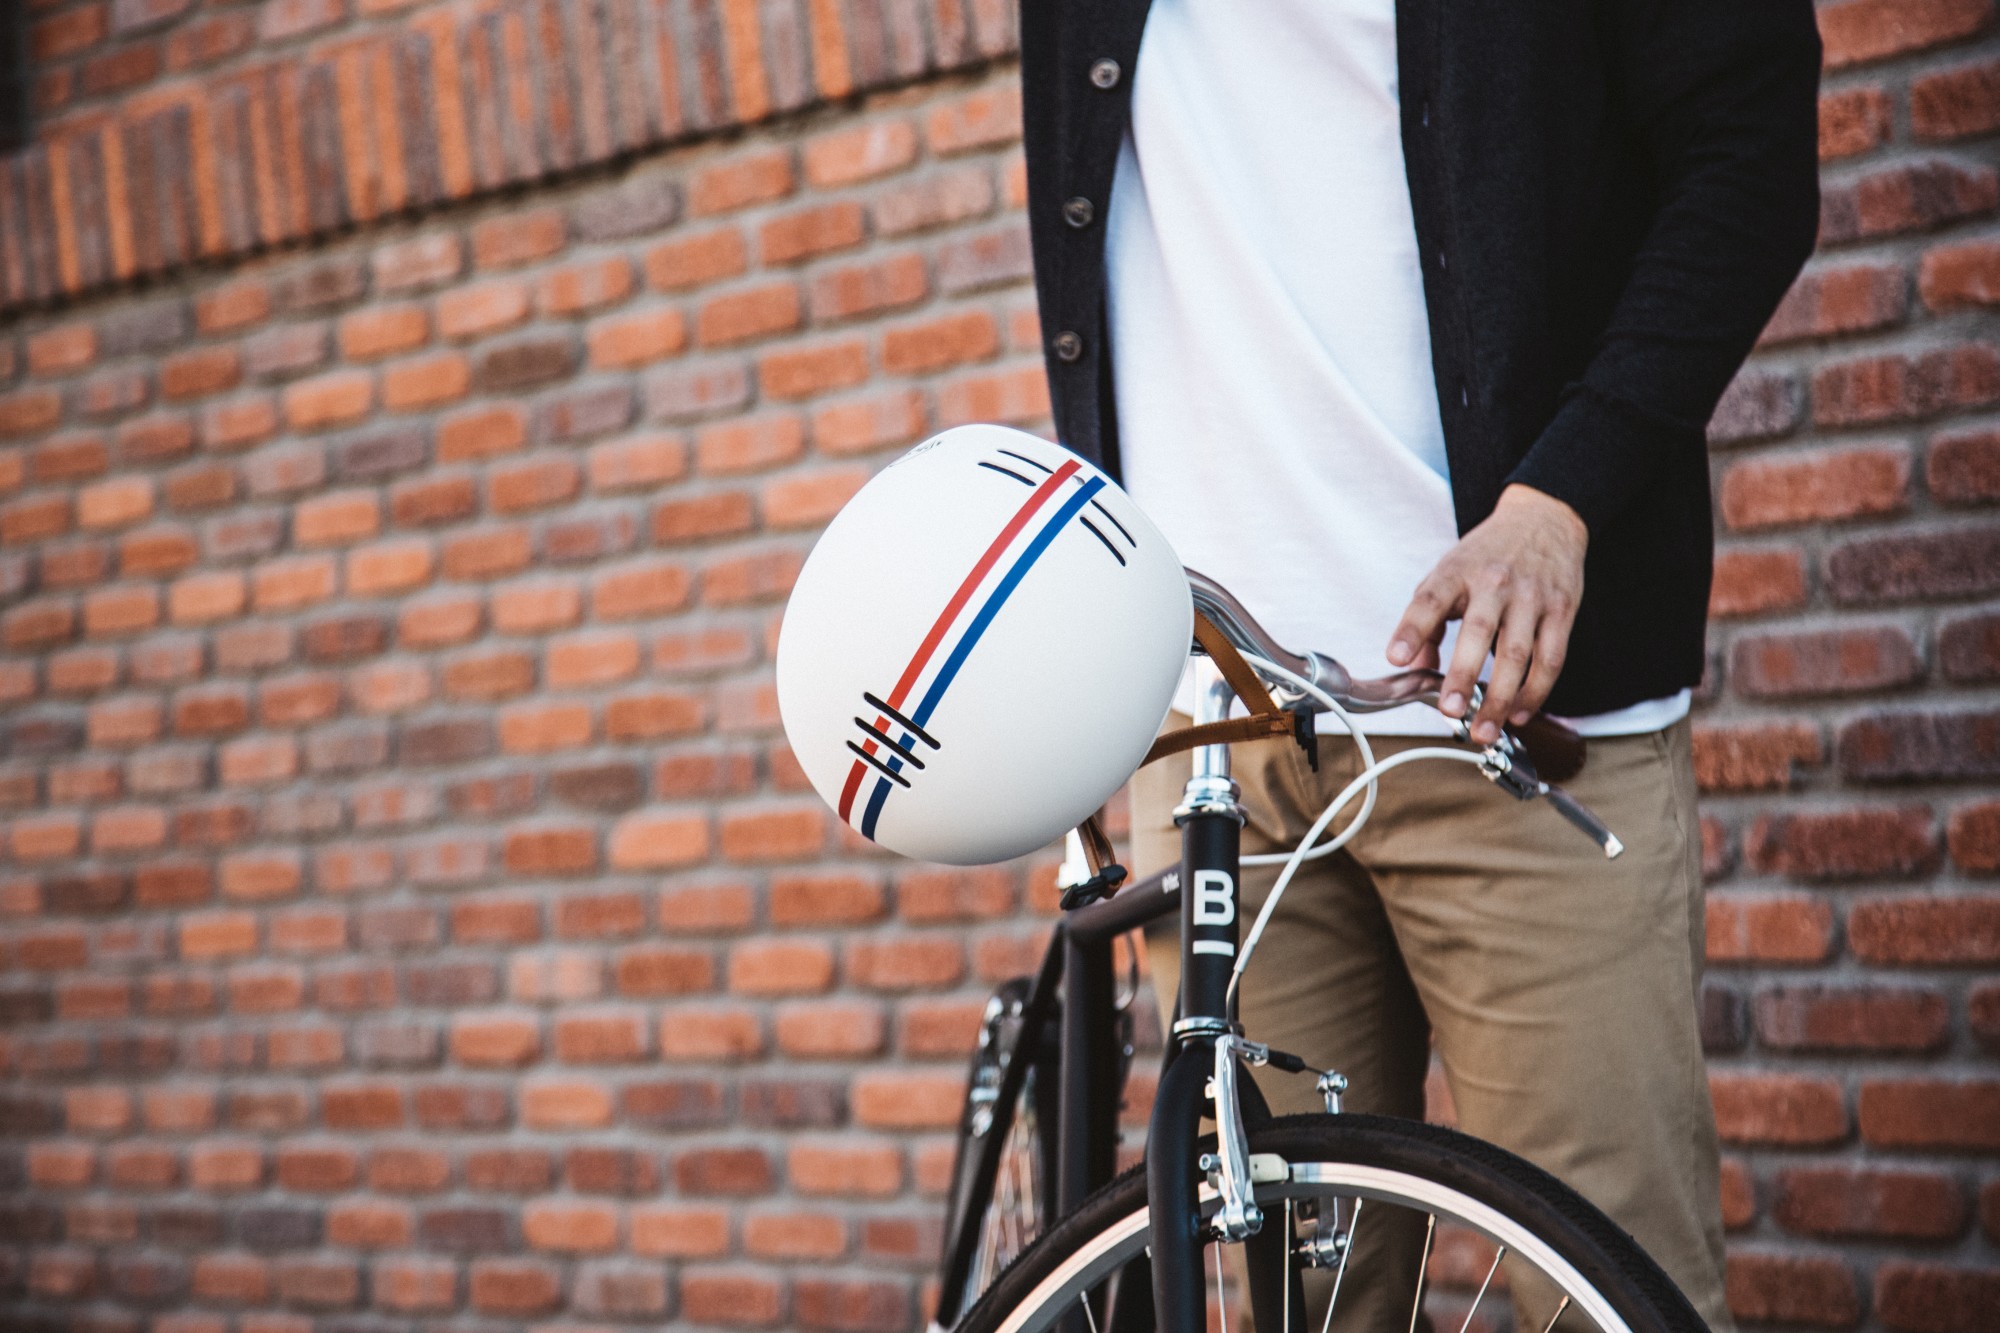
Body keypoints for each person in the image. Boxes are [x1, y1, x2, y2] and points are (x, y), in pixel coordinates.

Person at [1017, 1, 1822, 1328]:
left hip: (1521, 725)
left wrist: (1559, 499)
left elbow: (1749, 155)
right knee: (1298, 1306)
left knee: (1608, 1290)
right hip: (1213, 738)